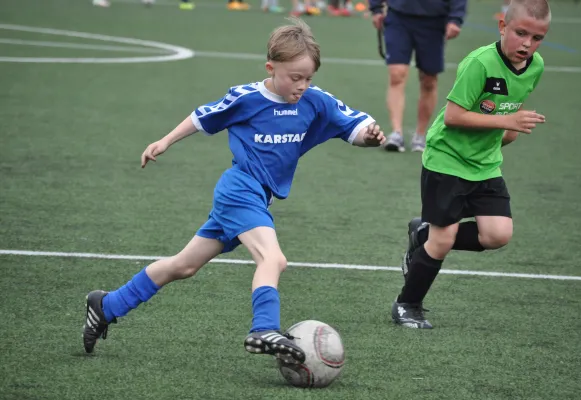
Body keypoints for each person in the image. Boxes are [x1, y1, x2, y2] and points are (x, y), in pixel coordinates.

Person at [81, 18, 385, 364]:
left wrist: (370, 137)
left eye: (308, 78)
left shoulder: (315, 101)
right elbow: (202, 116)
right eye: (294, 77)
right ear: (271, 68)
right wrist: (164, 141)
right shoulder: (248, 97)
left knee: (183, 266)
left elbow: (355, 126)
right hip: (239, 189)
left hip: (256, 197)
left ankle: (106, 305)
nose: (301, 85)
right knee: (273, 258)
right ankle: (263, 328)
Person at [391, 0, 550, 329]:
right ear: (503, 27)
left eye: (537, 38)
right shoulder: (480, 63)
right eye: (521, 34)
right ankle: (407, 304)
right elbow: (453, 116)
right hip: (448, 158)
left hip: (485, 163)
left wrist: (507, 132)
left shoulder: (535, 67)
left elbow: (502, 108)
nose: (527, 44)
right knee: (444, 240)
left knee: (497, 234)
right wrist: (506, 121)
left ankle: (424, 232)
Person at [369, 0, 466, 153]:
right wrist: (376, 9)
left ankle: (420, 135)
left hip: (434, 20)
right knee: (397, 74)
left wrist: (456, 18)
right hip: (398, 16)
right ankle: (396, 133)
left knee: (429, 80)